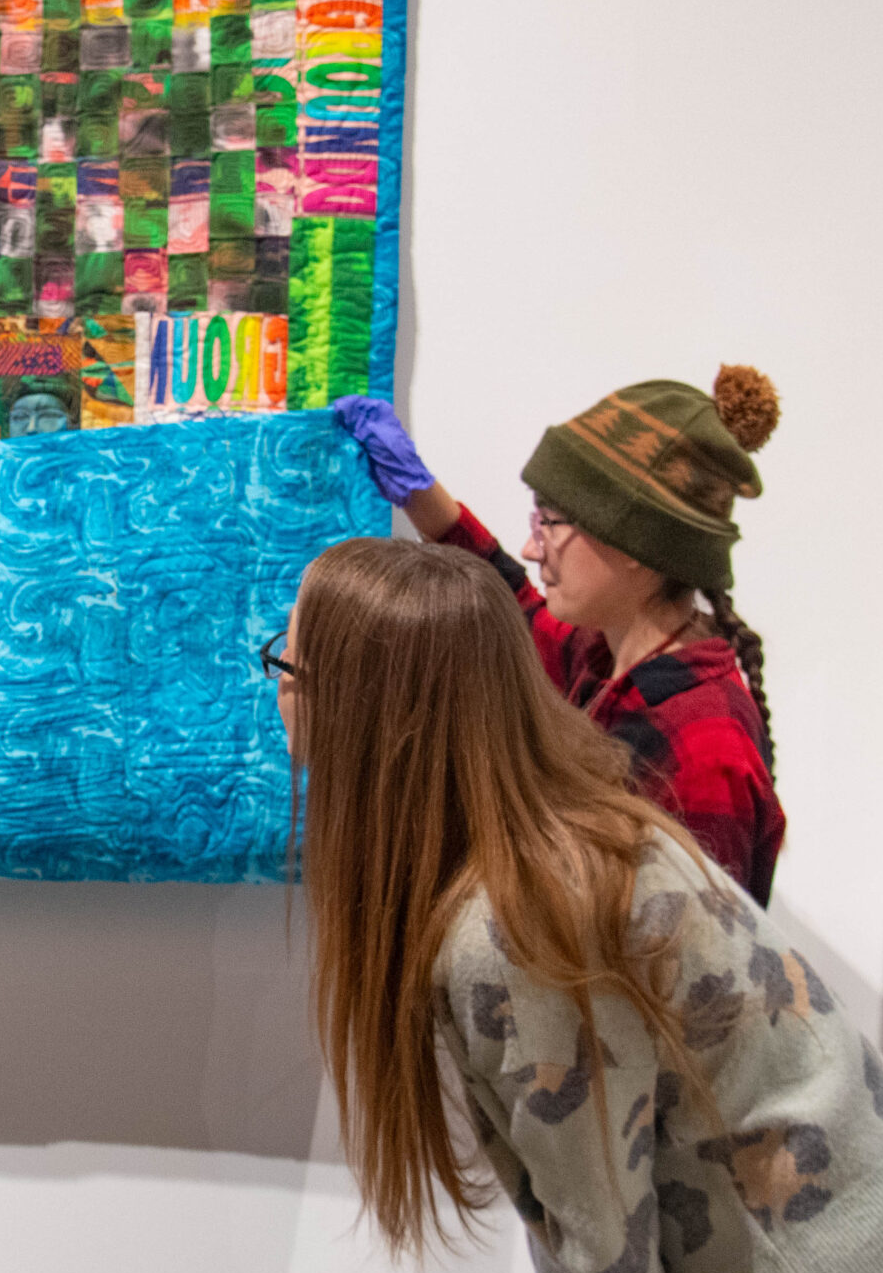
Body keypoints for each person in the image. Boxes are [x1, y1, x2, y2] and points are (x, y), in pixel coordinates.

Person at [272, 537, 883, 1273]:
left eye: (289, 664)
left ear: (372, 710)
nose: (278, 688)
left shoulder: (510, 928)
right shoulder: (557, 830)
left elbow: (607, 1266)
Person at [333, 368, 785, 903]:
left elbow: (696, 972)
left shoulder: (705, 754)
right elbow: (512, 606)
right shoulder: (601, 657)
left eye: (550, 522)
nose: (531, 547)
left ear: (637, 545)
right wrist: (418, 493)